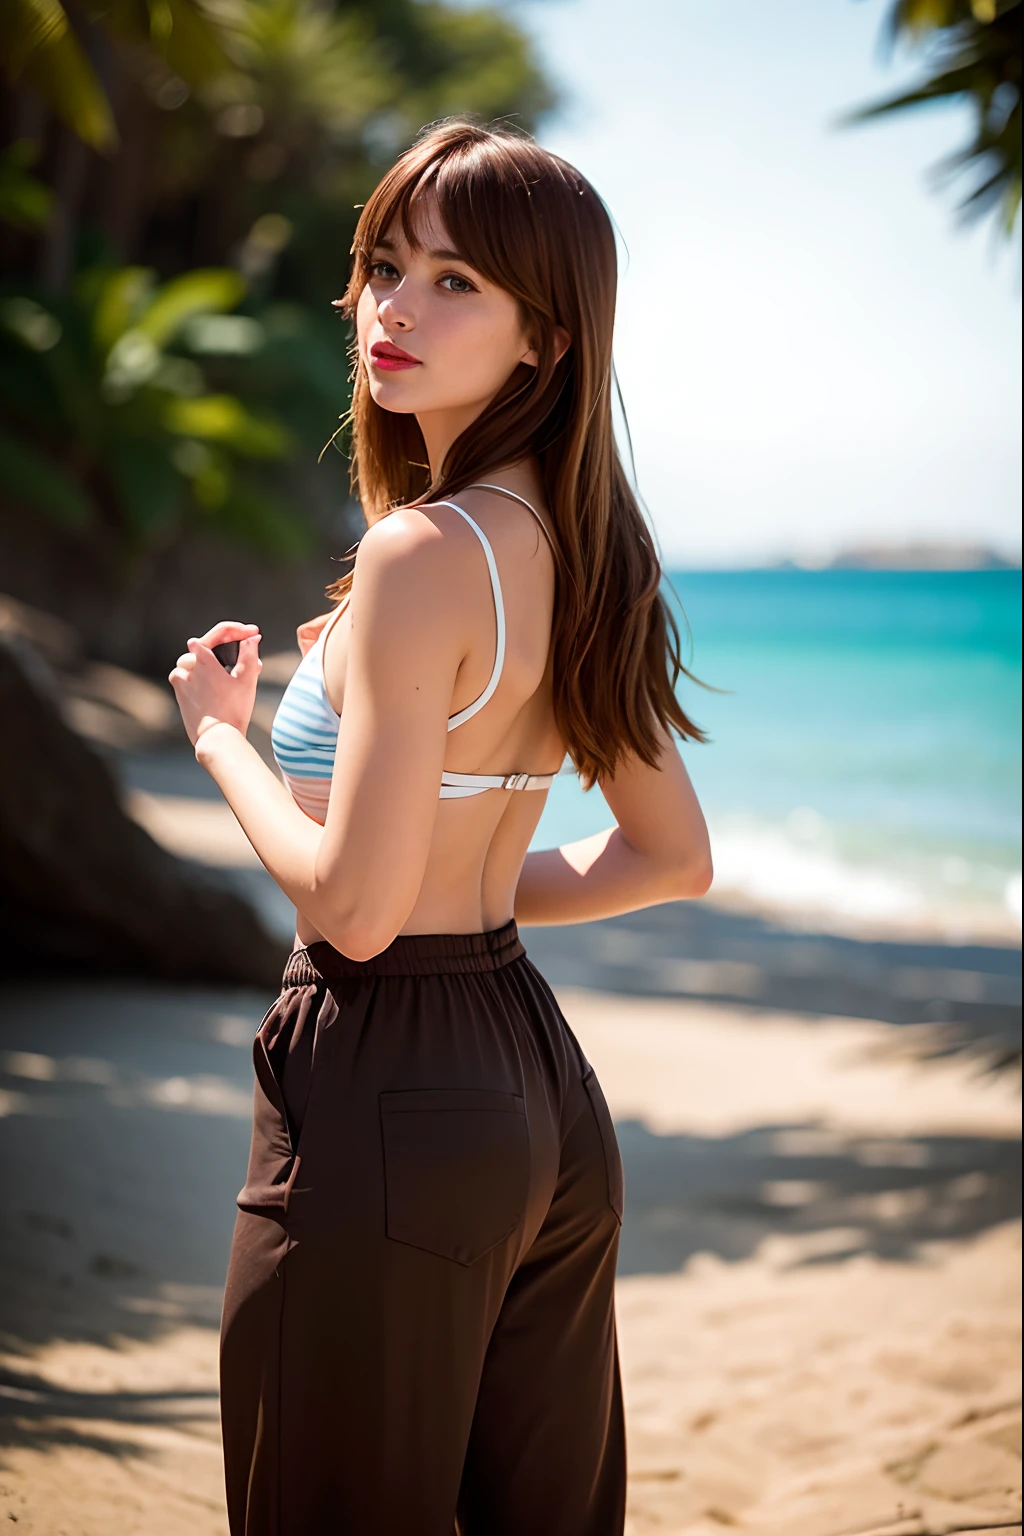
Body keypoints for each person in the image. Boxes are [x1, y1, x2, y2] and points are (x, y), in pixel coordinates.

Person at [168, 116, 712, 1536]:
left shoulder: (424, 553)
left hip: (386, 1073)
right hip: (532, 1087)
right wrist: (440, 871)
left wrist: (226, 745)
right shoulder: (592, 549)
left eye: (457, 281)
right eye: (382, 264)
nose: (394, 309)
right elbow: (670, 852)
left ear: (547, 337)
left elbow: (351, 910)